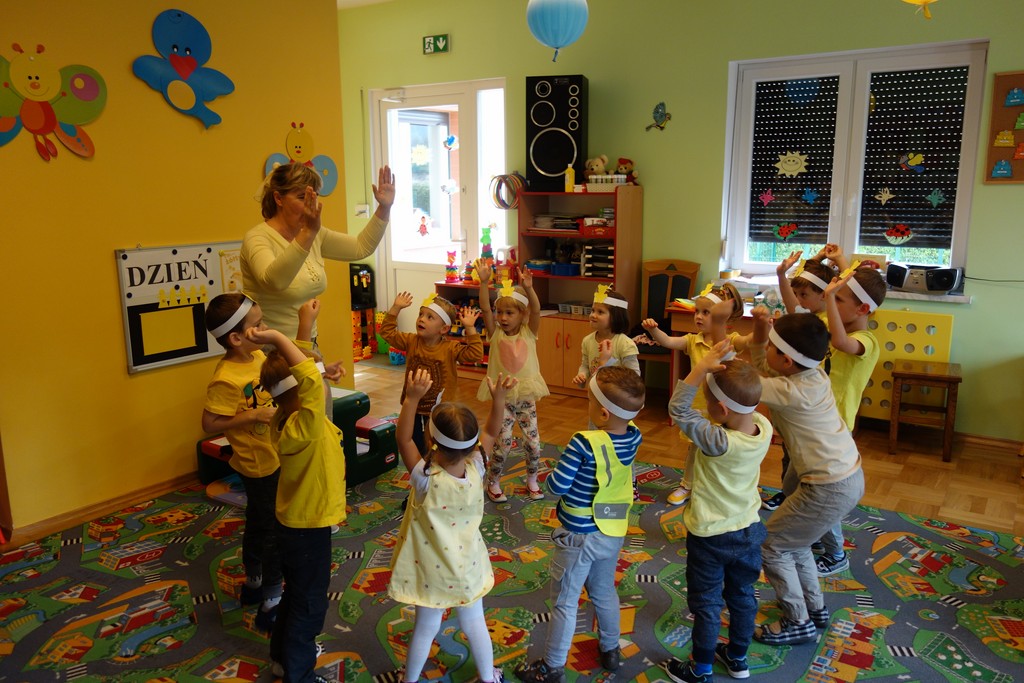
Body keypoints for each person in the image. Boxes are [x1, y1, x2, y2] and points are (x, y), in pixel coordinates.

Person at [515, 366, 645, 683]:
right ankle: (611, 649)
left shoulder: (583, 443)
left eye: (589, 401)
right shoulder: (634, 436)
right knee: (604, 591)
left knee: (565, 601)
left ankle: (552, 666)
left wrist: (547, 478)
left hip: (578, 535)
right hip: (612, 530)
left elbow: (558, 486)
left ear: (602, 413)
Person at [388, 368, 517, 683]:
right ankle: (488, 677)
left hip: (430, 572)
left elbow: (403, 438)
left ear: (430, 439)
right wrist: (499, 399)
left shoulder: (424, 478)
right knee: (474, 623)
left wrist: (411, 399)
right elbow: (492, 431)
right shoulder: (478, 466)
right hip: (468, 566)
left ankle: (410, 680)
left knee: (425, 627)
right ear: (471, 444)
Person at [748, 309, 864, 646]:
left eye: (772, 346)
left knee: (772, 545)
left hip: (827, 486)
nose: (766, 351)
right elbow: (763, 364)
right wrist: (760, 328)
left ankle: (797, 620)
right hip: (845, 476)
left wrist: (712, 364)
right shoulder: (813, 376)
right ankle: (814, 608)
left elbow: (745, 384)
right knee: (794, 543)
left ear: (786, 360)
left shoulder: (789, 390)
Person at [665, 342, 772, 683]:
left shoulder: (717, 441)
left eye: (709, 402)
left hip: (711, 536)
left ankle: (701, 669)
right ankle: (738, 657)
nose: (705, 407)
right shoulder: (762, 427)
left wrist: (699, 370)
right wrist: (729, 364)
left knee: (707, 603)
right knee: (742, 596)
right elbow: (744, 396)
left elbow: (678, 409)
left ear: (722, 410)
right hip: (749, 530)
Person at [253, 326, 347, 683]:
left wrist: (320, 367)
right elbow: (306, 379)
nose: (321, 385)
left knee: (294, 597)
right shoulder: (306, 424)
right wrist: (277, 338)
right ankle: (300, 675)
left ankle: (281, 660)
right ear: (303, 391)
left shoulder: (287, 419)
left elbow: (303, 376)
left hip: (295, 524)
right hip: (308, 530)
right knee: (309, 606)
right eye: (317, 381)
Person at [201, 292, 281, 632]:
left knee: (260, 522)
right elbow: (210, 424)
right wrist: (252, 416)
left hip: (275, 454)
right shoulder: (225, 378)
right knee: (274, 528)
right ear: (235, 338)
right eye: (257, 325)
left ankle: (254, 582)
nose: (264, 328)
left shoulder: (257, 354)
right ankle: (272, 600)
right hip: (257, 464)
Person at [241, 163, 395, 341]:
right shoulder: (258, 238)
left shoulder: (313, 233)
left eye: (314, 197)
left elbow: (361, 247)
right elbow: (274, 282)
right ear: (278, 198)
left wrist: (384, 208)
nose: (310, 204)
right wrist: (308, 233)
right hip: (267, 346)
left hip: (307, 341)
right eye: (302, 197)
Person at [641, 282, 745, 506]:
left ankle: (716, 487)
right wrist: (653, 330)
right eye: (696, 311)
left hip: (724, 409)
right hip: (699, 407)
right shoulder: (692, 340)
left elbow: (748, 342)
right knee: (695, 448)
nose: (698, 316)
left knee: (722, 450)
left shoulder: (730, 341)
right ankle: (687, 484)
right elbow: (668, 341)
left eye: (706, 312)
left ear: (722, 316)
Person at [812, 264, 886, 575]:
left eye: (838, 300)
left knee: (824, 493)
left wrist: (830, 296)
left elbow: (842, 344)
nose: (830, 303)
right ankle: (816, 537)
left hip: (835, 427)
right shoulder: (836, 323)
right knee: (808, 485)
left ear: (863, 309)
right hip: (816, 420)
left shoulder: (867, 341)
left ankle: (836, 554)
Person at [761, 246, 845, 512]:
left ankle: (803, 499)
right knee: (791, 453)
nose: (798, 300)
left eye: (804, 295)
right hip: (803, 400)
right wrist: (784, 275)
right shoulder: (809, 318)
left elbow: (795, 307)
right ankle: (789, 495)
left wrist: (838, 262)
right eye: (796, 293)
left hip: (818, 402)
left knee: (807, 457)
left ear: (824, 295)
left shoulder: (821, 322)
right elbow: (795, 304)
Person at [475, 261, 549, 502]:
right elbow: (485, 309)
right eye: (500, 312)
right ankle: (493, 482)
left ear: (522, 314)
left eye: (510, 313)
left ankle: (532, 479)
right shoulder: (495, 332)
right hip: (502, 398)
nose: (503, 318)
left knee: (533, 443)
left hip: (525, 395)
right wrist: (484, 283)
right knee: (503, 443)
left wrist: (529, 288)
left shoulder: (529, 331)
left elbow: (536, 310)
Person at [380, 291, 484, 453]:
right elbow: (387, 333)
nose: (422, 319)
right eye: (421, 314)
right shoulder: (411, 341)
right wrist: (396, 308)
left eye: (430, 317)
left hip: (440, 407)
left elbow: (475, 354)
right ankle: (416, 461)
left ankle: (435, 462)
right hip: (413, 403)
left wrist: (470, 328)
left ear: (444, 329)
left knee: (436, 441)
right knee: (412, 439)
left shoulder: (450, 348)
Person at [571, 285, 640, 386]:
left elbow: (635, 377)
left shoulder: (626, 344)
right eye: (593, 310)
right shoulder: (587, 341)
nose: (593, 315)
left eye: (600, 312)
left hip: (619, 393)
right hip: (596, 390)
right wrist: (582, 375)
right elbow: (585, 366)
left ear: (615, 317)